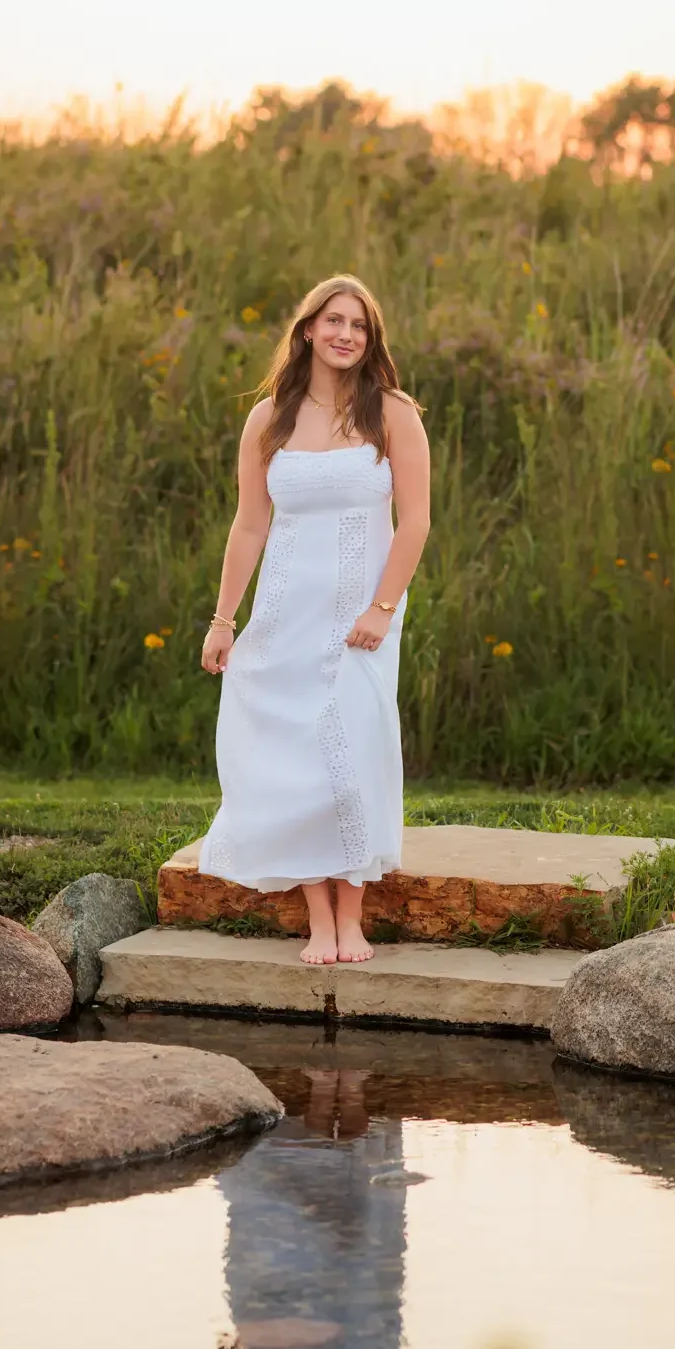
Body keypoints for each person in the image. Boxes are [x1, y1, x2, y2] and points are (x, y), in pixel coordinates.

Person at [198, 274, 431, 966]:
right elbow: (248, 526)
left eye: (358, 326)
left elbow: (415, 520)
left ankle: (352, 915)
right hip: (283, 609)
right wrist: (222, 621)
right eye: (332, 321)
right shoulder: (267, 417)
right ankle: (317, 918)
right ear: (307, 329)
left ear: (370, 339)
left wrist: (382, 608)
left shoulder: (391, 412)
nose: (344, 334)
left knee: (354, 746)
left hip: (364, 609)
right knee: (291, 755)